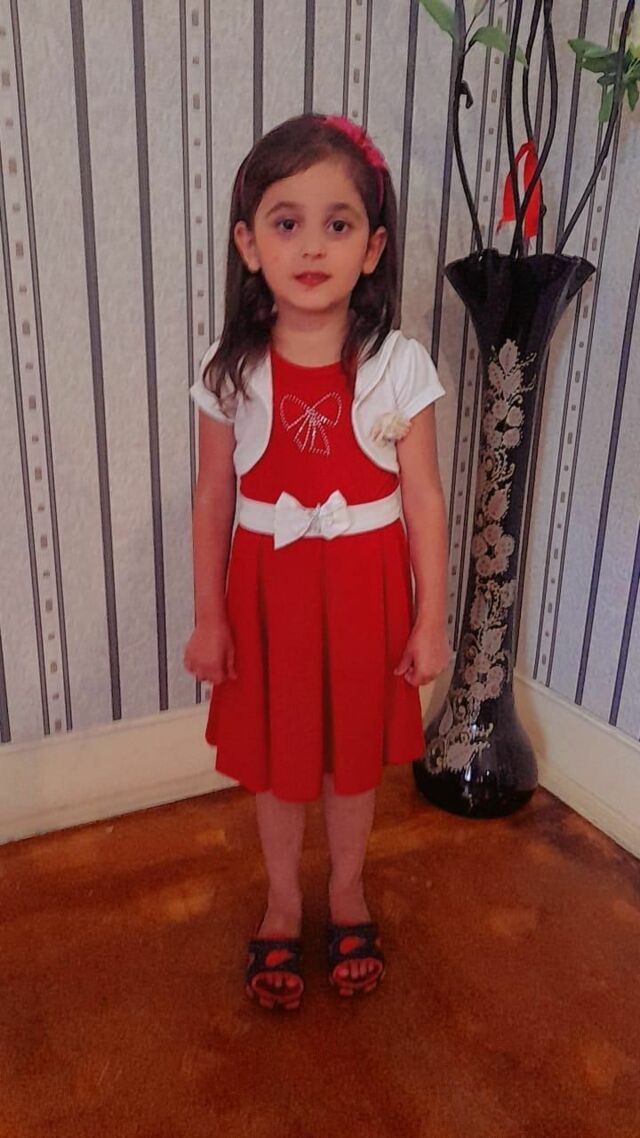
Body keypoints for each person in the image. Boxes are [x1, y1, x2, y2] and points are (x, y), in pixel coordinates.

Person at [183, 113, 450, 1011]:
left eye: (337, 224)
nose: (310, 246)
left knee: (350, 759)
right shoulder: (231, 369)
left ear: (372, 249)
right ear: (248, 244)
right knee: (277, 757)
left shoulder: (400, 366)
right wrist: (210, 618)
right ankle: (282, 901)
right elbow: (213, 499)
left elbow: (424, 498)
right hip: (270, 598)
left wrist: (431, 619)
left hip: (366, 595)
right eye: (286, 222)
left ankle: (345, 890)